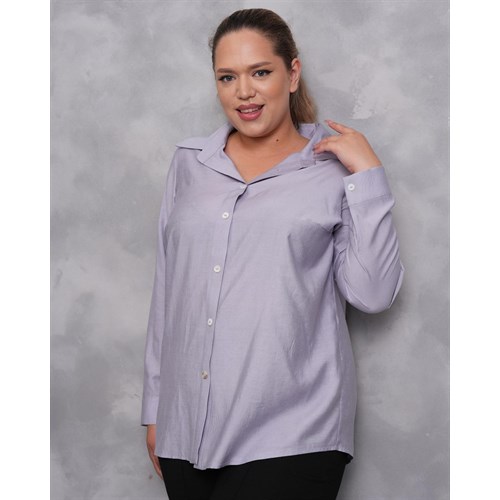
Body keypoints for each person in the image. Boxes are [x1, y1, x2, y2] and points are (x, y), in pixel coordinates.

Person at [141, 8, 404, 500]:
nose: (244, 91)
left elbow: (372, 294)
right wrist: (156, 408)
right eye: (228, 77)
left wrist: (369, 178)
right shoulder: (190, 163)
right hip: (185, 429)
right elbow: (169, 293)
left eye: (260, 72)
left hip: (293, 433)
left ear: (292, 73)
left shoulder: (333, 170)